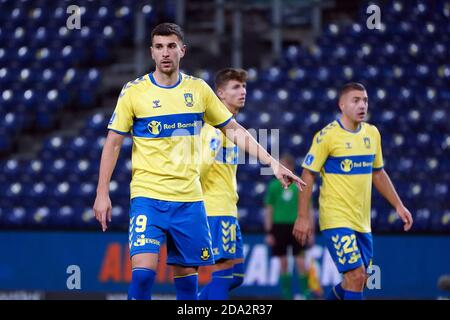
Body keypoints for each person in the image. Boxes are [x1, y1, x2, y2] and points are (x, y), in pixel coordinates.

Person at [93, 22, 305, 300]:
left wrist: (272, 163)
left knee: (187, 283)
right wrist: (101, 192)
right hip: (148, 196)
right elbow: (114, 142)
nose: (165, 52)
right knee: (143, 273)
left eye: (171, 46)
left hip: (190, 201)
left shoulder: (199, 90)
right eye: (159, 47)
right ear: (151, 52)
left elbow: (234, 129)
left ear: (183, 50)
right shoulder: (134, 92)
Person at [293, 82, 414, 300]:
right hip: (336, 218)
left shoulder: (372, 133)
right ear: (342, 105)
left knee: (358, 280)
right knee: (356, 276)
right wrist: (303, 217)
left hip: (362, 221)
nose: (362, 105)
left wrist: (398, 205)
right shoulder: (327, 136)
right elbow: (307, 174)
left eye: (365, 100)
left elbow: (378, 173)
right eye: (355, 100)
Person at [197, 68, 247, 300]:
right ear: (220, 94)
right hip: (216, 210)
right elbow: (199, 169)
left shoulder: (230, 128)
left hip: (228, 209)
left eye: (243, 86)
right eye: (235, 87)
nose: (243, 91)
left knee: (236, 275)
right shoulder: (215, 130)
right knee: (223, 273)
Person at [264, 153, 317, 300]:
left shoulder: (298, 185)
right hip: (279, 227)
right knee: (283, 262)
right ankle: (287, 295)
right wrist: (269, 231)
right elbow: (269, 209)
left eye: (284, 165)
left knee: (300, 261)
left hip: (297, 226)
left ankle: (306, 295)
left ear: (291, 167)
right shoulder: (274, 186)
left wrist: (310, 230)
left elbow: (309, 209)